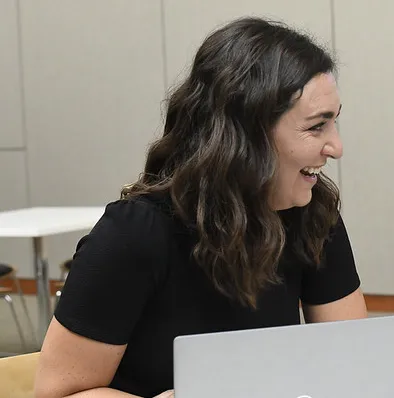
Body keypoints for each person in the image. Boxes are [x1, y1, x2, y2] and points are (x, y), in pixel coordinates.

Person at [34, 17, 367, 398]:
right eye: (316, 127)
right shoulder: (134, 235)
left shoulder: (313, 215)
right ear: (246, 136)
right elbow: (56, 393)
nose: (336, 147)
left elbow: (353, 365)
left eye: (334, 122)